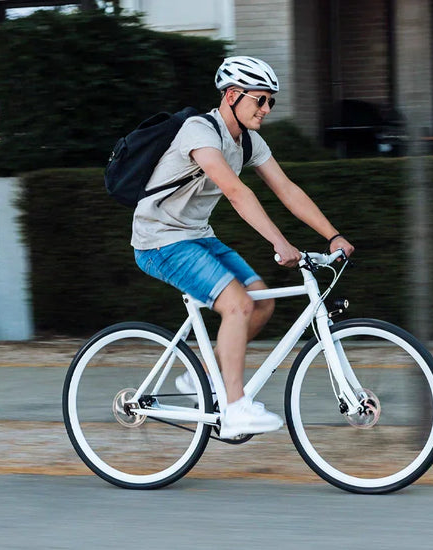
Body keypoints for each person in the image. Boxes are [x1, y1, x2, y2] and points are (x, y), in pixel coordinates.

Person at [131, 56, 354, 439]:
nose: (267, 109)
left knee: (261, 300)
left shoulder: (248, 141)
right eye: (261, 100)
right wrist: (279, 242)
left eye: (271, 102)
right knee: (237, 305)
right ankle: (234, 409)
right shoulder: (198, 131)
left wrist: (332, 235)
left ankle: (199, 377)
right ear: (232, 95)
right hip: (159, 240)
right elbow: (235, 191)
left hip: (196, 236)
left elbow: (286, 189)